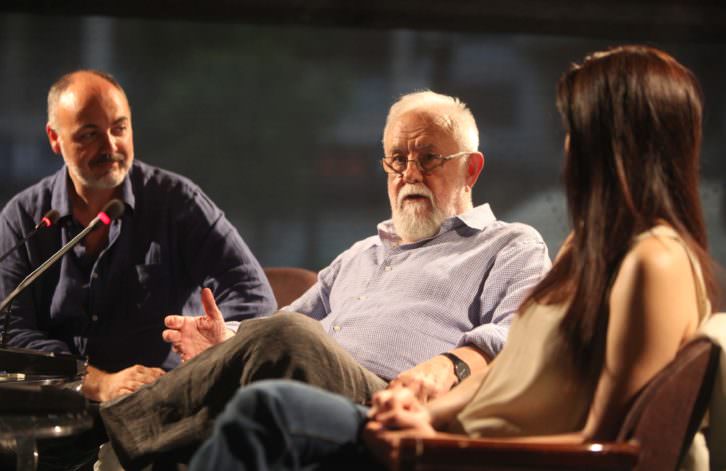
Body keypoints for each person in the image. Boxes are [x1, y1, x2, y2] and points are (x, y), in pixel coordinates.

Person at [187, 45, 720, 471]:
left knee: (270, 408)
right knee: (255, 401)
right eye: (396, 158)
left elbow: (606, 448)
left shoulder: (654, 264)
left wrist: (431, 439)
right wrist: (421, 411)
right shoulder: (587, 252)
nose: (565, 149)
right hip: (440, 431)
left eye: (576, 131)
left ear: (617, 145)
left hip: (463, 457)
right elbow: (512, 375)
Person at [99, 90, 551, 468]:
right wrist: (228, 337)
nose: (410, 173)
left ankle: (106, 433)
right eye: (397, 159)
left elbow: (523, 334)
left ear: (470, 169)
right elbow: (286, 322)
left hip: (391, 400)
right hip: (305, 387)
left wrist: (451, 364)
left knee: (290, 337)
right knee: (274, 352)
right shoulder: (360, 255)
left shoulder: (509, 244)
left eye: (429, 159)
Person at [0, 70, 276, 402]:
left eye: (119, 128)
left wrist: (207, 354)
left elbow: (254, 297)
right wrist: (97, 382)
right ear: (55, 138)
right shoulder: (24, 217)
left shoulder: (177, 202)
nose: (110, 146)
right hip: (57, 407)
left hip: (161, 404)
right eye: (89, 134)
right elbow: (10, 331)